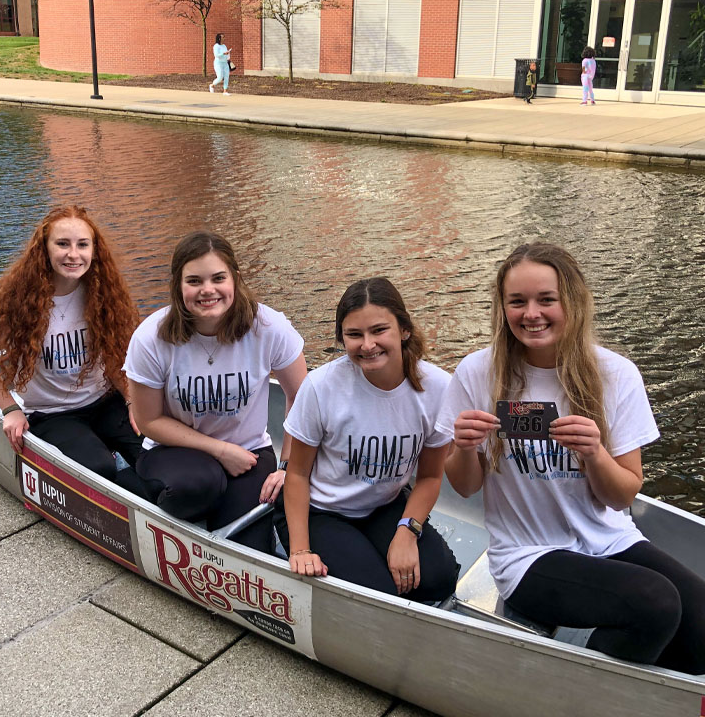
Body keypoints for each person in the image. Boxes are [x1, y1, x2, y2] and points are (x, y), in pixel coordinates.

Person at [440, 242, 705, 675]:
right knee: (655, 603)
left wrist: (596, 454)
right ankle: (584, 684)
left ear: (573, 302)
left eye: (547, 300)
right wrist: (465, 446)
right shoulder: (478, 372)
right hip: (526, 555)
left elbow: (622, 497)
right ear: (502, 308)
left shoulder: (616, 374)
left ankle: (631, 684)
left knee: (700, 624)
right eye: (517, 302)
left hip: (610, 539)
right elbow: (466, 486)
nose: (531, 314)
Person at [278, 277, 459, 601]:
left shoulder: (437, 388)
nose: (367, 345)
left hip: (383, 505)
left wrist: (407, 531)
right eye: (354, 335)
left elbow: (431, 477)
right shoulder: (322, 387)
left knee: (439, 579)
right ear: (342, 338)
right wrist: (301, 549)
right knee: (381, 595)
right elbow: (298, 474)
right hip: (322, 509)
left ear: (403, 329)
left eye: (379, 330)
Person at [124, 231, 306, 553]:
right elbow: (148, 420)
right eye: (194, 281)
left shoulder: (268, 328)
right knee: (198, 487)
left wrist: (287, 468)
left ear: (234, 279)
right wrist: (220, 451)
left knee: (249, 549)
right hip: (174, 451)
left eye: (218, 278)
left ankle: (213, 516)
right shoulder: (151, 338)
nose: (208, 290)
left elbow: (304, 401)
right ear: (178, 286)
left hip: (249, 455)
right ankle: (138, 493)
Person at [0, 205, 146, 495]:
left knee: (155, 456)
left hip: (104, 401)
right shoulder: (16, 299)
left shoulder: (104, 292)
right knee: (100, 469)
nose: (73, 254)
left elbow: (115, 356)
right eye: (62, 244)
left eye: (82, 245)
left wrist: (131, 401)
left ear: (94, 250)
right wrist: (10, 409)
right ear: (44, 249)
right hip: (52, 414)